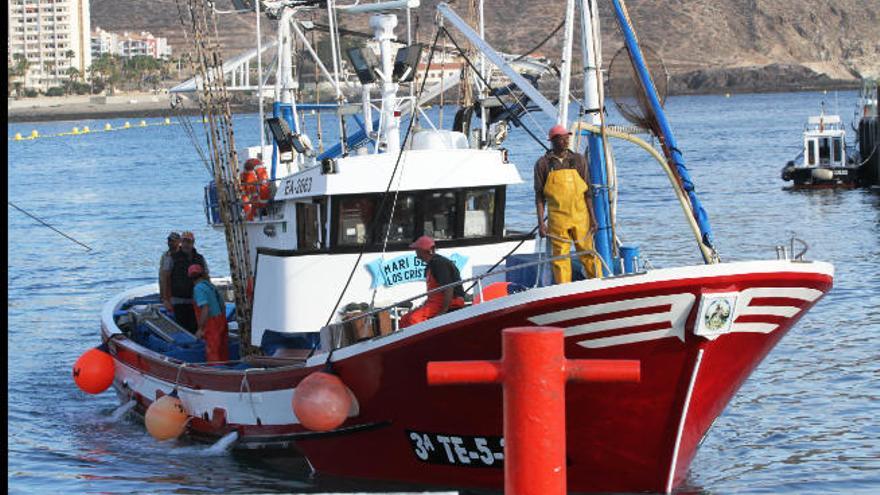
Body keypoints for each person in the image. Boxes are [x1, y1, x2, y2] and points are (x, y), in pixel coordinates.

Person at [534, 124, 602, 283]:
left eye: (567, 137)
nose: (566, 141)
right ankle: (564, 288)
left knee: (588, 253)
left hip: (581, 216)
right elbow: (539, 197)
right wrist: (541, 224)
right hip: (558, 220)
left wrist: (593, 218)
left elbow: (588, 192)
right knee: (560, 257)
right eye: (561, 138)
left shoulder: (578, 160)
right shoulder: (543, 164)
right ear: (552, 141)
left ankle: (598, 282)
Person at [399, 236, 466, 328]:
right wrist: (423, 305)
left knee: (414, 319)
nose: (415, 252)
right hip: (435, 302)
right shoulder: (431, 264)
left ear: (422, 250)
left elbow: (449, 288)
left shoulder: (439, 264)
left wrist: (443, 311)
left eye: (417, 249)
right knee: (404, 319)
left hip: (450, 302)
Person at [165, 231, 208, 333]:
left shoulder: (200, 258)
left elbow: (206, 277)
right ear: (180, 242)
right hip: (178, 299)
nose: (186, 244)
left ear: (193, 243)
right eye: (184, 241)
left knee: (196, 327)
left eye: (188, 242)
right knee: (182, 328)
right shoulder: (172, 257)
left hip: (196, 300)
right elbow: (165, 279)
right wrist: (165, 299)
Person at [189, 264, 229, 362]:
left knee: (212, 350)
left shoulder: (198, 289)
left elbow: (205, 308)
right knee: (222, 349)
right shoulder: (210, 286)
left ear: (190, 277)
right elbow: (222, 306)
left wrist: (201, 329)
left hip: (211, 322)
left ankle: (216, 371)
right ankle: (225, 368)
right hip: (221, 319)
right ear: (202, 274)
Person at [159, 231, 180, 314]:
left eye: (173, 241)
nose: (170, 243)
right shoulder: (166, 256)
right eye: (169, 241)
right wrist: (164, 298)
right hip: (168, 291)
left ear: (179, 242)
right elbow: (163, 277)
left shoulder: (183, 255)